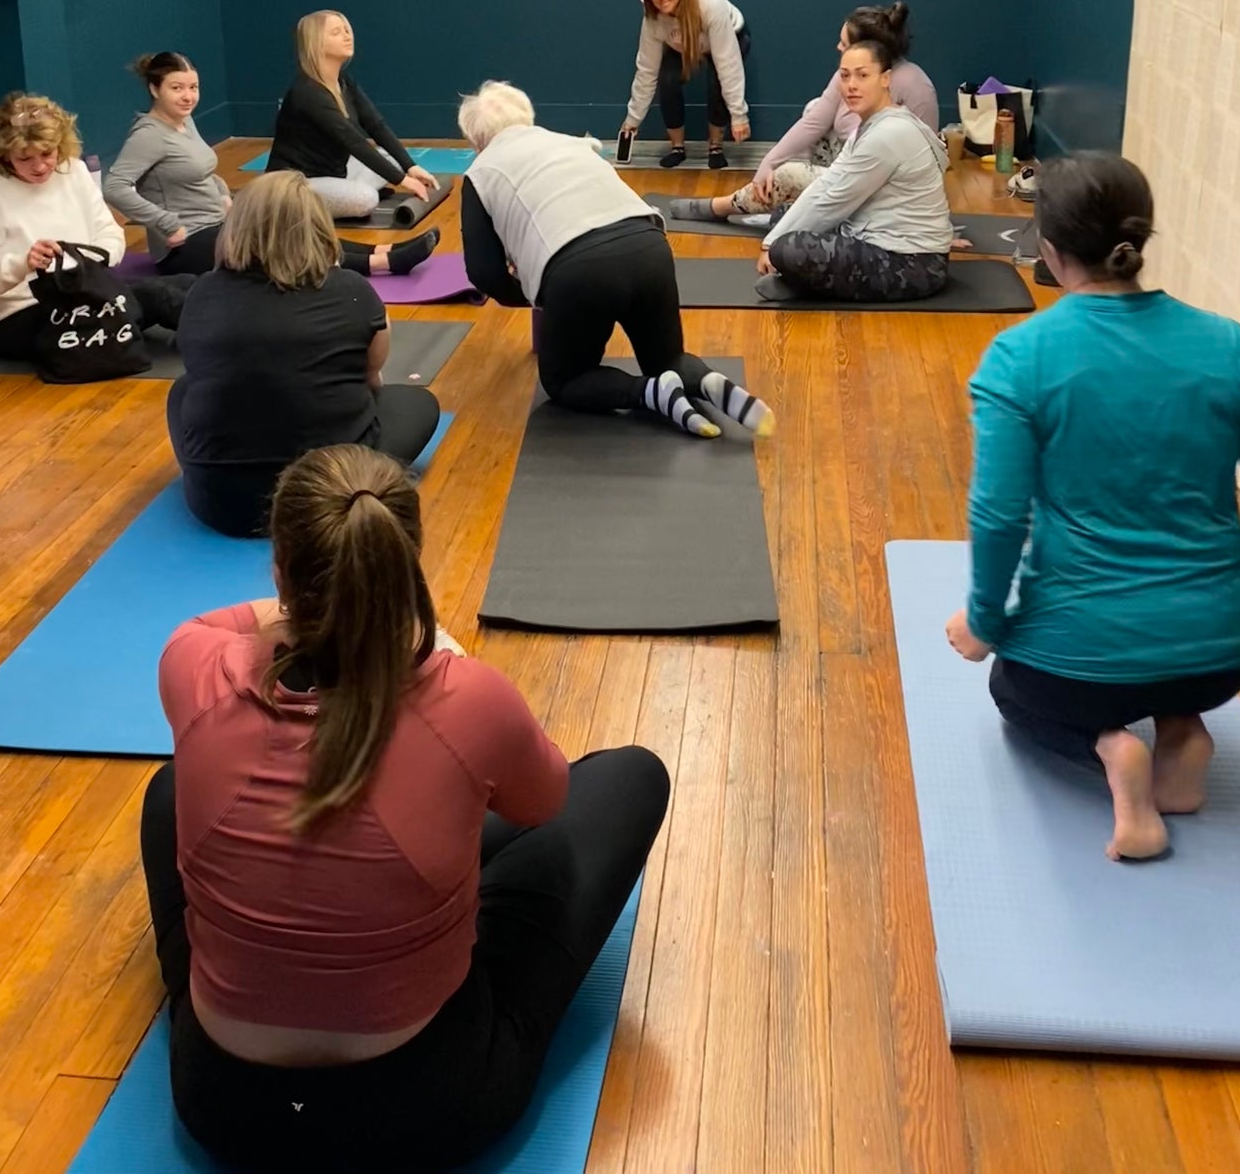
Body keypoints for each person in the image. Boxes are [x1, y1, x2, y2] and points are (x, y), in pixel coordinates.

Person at [141, 442, 670, 1171]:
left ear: (281, 570)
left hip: (223, 1104)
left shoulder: (191, 665)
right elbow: (544, 802)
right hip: (423, 1110)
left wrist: (298, 603)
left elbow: (213, 626)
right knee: (631, 776)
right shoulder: (469, 696)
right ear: (402, 563)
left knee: (170, 788)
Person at [945, 154, 1240, 862]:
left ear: (1048, 251)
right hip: (1223, 656)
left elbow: (998, 517)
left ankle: (1113, 752)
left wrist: (984, 623)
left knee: (1010, 689)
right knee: (1167, 675)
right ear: (1137, 239)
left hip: (1074, 669)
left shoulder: (1019, 356)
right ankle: (1179, 726)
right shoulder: (1239, 348)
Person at [460, 81, 773, 438]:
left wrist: (538, 295)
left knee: (565, 380)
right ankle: (704, 380)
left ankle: (649, 393)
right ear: (527, 118)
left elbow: (484, 274)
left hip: (579, 270)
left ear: (476, 142)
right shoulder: (574, 143)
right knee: (667, 360)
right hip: (649, 246)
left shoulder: (480, 173)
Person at [168, 172, 441, 537]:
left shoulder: (202, 293)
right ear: (318, 227)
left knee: (183, 390)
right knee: (418, 404)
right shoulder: (351, 291)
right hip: (327, 500)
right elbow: (372, 379)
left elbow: (209, 373)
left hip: (221, 507)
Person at [0, 92, 186, 358]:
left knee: (188, 284)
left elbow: (110, 235)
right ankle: (228, 345)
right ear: (4, 156)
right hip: (19, 314)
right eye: (24, 159)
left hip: (86, 295)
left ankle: (228, 335)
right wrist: (23, 263)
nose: (39, 166)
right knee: (158, 296)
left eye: (47, 154)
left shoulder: (73, 171)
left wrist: (79, 261)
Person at [751, 34, 953, 302]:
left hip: (912, 263)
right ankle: (801, 278)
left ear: (885, 79)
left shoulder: (889, 134)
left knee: (788, 249)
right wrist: (772, 240)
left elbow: (835, 200)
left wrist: (773, 247)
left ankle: (801, 282)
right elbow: (826, 184)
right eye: (845, 77)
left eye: (862, 76)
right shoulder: (870, 126)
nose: (851, 86)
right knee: (784, 217)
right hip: (874, 237)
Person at [692, 1, 937, 221]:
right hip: (848, 171)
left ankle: (723, 206)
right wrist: (768, 162)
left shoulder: (916, 88)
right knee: (814, 108)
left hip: (881, 191)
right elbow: (814, 122)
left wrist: (931, 220)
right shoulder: (847, 77)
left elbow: (927, 166)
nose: (838, 47)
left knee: (788, 175)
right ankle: (813, 209)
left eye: (844, 43)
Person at [266, 12, 441, 276]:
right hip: (296, 185)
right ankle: (340, 201)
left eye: (347, 29)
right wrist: (401, 181)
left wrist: (409, 167)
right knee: (366, 199)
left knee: (391, 161)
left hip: (334, 171)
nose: (347, 35)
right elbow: (353, 140)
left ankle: (346, 197)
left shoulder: (344, 82)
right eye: (336, 32)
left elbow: (375, 125)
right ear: (316, 44)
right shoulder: (308, 93)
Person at [103, 52, 233, 276]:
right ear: (154, 90)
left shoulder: (185, 120)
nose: (188, 96)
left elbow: (200, 168)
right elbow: (114, 187)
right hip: (184, 242)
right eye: (177, 88)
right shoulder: (149, 135)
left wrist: (222, 194)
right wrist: (167, 225)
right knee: (258, 257)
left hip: (215, 224)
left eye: (193, 87)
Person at [618, 0, 750, 170]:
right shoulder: (653, 18)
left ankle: (715, 146)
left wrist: (738, 115)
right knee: (667, 80)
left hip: (729, 37)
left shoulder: (709, 3)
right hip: (680, 43)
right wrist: (632, 121)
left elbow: (728, 63)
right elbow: (646, 71)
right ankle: (677, 147)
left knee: (718, 83)